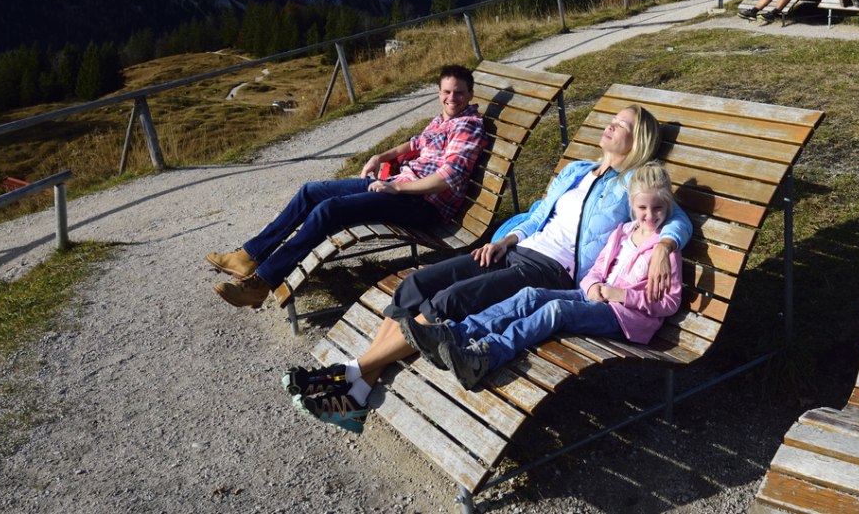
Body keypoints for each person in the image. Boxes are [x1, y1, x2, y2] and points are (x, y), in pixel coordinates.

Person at [288, 105, 693, 430]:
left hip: (551, 270)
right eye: (611, 119)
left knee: (448, 301)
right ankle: (359, 388)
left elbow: (673, 215)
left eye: (620, 125)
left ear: (636, 140)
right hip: (516, 248)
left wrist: (666, 244)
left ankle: (351, 375)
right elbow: (537, 214)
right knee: (415, 285)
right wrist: (503, 240)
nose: (609, 126)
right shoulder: (577, 170)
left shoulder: (634, 182)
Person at [204, 65, 486, 309]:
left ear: (470, 94)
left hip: (423, 204)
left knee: (330, 210)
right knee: (310, 191)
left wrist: (397, 190)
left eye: (459, 92)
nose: (452, 98)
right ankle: (248, 256)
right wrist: (380, 157)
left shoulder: (467, 126)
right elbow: (415, 144)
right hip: (397, 189)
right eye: (447, 92)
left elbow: (449, 178)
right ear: (439, 92)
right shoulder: (441, 121)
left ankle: (262, 281)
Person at [414, 161, 684, 389]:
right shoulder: (623, 232)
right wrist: (591, 286)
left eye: (658, 208)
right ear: (632, 205)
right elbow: (598, 269)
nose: (649, 215)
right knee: (530, 295)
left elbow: (668, 303)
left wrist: (621, 295)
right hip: (594, 298)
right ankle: (458, 334)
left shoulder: (666, 251)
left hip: (625, 318)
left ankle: (486, 356)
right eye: (642, 208)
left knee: (556, 310)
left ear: (668, 204)